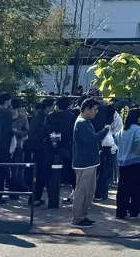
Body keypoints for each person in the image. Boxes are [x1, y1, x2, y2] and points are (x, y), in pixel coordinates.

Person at [72, 97, 111, 227]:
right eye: (94, 110)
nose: (96, 112)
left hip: (90, 161)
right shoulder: (82, 123)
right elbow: (91, 140)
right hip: (84, 163)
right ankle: (77, 218)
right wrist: (105, 131)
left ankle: (83, 215)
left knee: (89, 191)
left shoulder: (85, 122)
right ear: (87, 109)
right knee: (82, 191)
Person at [44, 96, 76, 209]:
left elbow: (45, 130)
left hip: (52, 146)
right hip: (67, 146)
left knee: (49, 172)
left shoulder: (50, 117)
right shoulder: (72, 117)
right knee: (71, 171)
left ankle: (51, 197)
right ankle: (76, 193)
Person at [115, 108, 140, 220]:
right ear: (137, 117)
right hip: (135, 162)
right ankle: (133, 211)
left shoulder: (123, 129)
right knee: (135, 188)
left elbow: (116, 139)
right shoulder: (137, 129)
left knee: (123, 188)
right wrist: (138, 152)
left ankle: (120, 211)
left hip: (122, 163)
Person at [26, 98, 52, 206]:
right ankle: (35, 198)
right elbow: (42, 132)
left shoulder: (37, 116)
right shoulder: (43, 118)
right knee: (41, 174)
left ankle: (33, 197)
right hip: (40, 148)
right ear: (47, 107)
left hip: (34, 147)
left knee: (36, 174)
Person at [93, 101, 118, 201]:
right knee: (105, 172)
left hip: (97, 147)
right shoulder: (107, 119)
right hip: (105, 147)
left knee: (97, 171)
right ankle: (101, 193)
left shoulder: (95, 118)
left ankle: (97, 193)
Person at [10, 98, 30, 194]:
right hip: (5, 146)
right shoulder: (5, 116)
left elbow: (26, 131)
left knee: (16, 170)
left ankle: (14, 191)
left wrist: (18, 132)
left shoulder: (23, 118)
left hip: (17, 146)